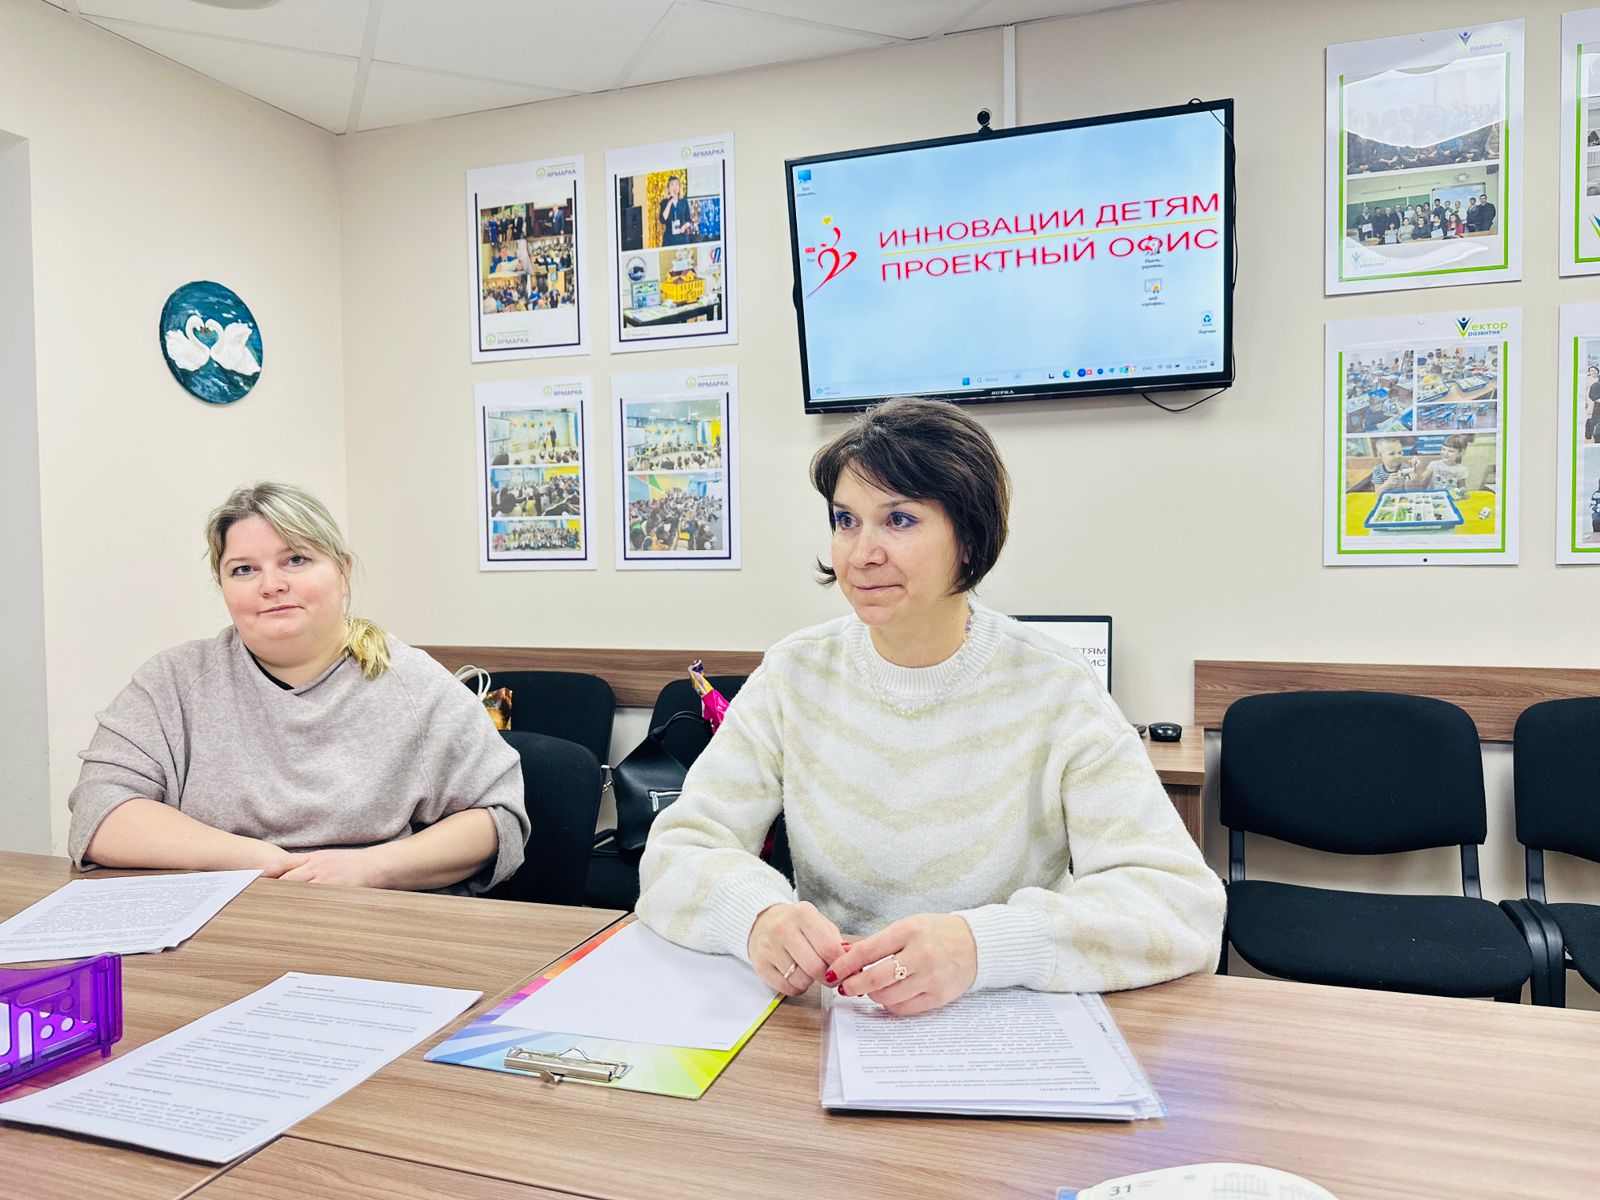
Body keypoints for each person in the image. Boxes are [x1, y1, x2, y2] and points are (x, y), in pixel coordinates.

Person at [637, 398, 1225, 1013]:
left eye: (899, 519)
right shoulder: (794, 674)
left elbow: (1180, 907)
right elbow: (676, 852)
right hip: (832, 1016)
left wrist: (982, 947)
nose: (861, 554)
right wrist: (756, 917)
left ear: (968, 540)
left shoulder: (1056, 688)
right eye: (845, 520)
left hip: (1002, 1018)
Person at [67, 482, 530, 893]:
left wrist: (368, 869)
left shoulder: (415, 684)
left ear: (342, 573)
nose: (271, 585)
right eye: (244, 569)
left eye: (295, 560)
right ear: (222, 586)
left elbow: (497, 819)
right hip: (217, 921)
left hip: (374, 919)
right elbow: (100, 812)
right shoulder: (173, 682)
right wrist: (258, 861)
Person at [659, 174, 691, 246]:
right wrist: (670, 202)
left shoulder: (684, 201)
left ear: (679, 187)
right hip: (669, 239)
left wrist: (685, 226)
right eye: (672, 184)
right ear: (668, 188)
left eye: (677, 184)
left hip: (682, 238)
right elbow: (662, 220)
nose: (675, 187)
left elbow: (688, 220)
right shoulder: (664, 202)